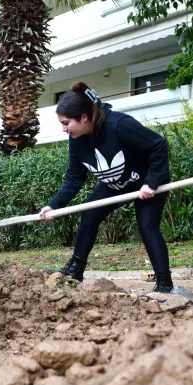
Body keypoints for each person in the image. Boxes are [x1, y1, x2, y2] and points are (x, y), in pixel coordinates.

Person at [40, 81, 174, 293]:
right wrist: (54, 205)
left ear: (84, 117)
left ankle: (165, 283)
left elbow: (158, 144)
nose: (63, 129)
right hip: (114, 183)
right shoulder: (76, 140)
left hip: (146, 182)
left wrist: (152, 181)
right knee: (89, 215)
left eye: (66, 123)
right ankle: (75, 270)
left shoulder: (119, 125)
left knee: (147, 225)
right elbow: (74, 177)